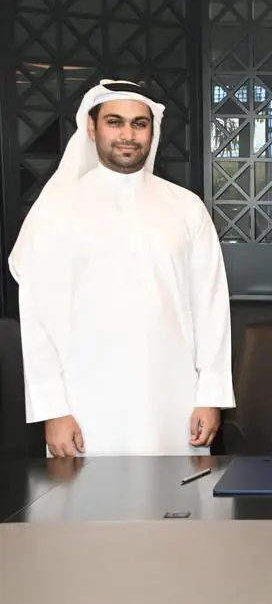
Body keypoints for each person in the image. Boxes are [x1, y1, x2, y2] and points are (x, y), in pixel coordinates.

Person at [9, 80, 235, 457]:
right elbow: (37, 319)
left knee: (176, 492)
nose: (128, 135)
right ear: (92, 127)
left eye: (139, 124)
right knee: (88, 494)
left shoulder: (186, 207)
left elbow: (210, 307)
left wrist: (210, 396)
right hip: (85, 404)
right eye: (115, 122)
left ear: (152, 131)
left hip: (174, 399)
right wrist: (52, 410)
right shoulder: (55, 210)